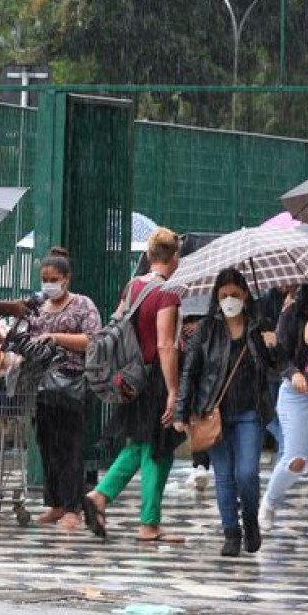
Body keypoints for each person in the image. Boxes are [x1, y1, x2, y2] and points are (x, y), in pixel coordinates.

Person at [87, 229, 185, 543]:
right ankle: (148, 523)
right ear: (174, 257)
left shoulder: (133, 287)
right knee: (159, 447)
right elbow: (165, 344)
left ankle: (100, 497)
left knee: (141, 443)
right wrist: (173, 391)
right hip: (155, 377)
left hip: (132, 377)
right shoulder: (167, 292)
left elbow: (117, 323)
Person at [174, 267, 276, 557]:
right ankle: (231, 533)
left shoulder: (259, 326)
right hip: (213, 413)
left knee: (247, 473)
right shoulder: (206, 330)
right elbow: (190, 372)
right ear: (216, 298)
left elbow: (276, 366)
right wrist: (182, 412)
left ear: (245, 294)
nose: (230, 299)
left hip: (249, 413)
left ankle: (250, 521)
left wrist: (273, 346)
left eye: (235, 294)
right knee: (224, 477)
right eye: (224, 295)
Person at [20, 253, 101, 533]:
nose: (49, 285)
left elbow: (93, 340)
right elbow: (27, 337)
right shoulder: (39, 308)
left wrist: (57, 338)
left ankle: (72, 507)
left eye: (54, 280)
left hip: (72, 385)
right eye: (45, 280)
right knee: (47, 445)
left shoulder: (82, 306)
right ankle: (55, 502)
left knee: (69, 447)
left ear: (66, 279)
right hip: (42, 386)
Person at [262, 278, 308, 547]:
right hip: (298, 395)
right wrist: (293, 373)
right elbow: (281, 354)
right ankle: (270, 500)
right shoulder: (291, 313)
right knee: (296, 459)